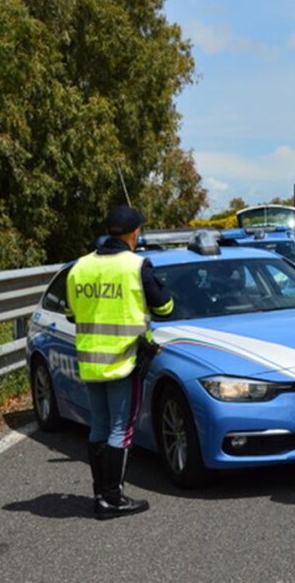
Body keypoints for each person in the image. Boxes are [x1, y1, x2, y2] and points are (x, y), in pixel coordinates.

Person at [66, 205, 174, 520]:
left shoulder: (80, 267)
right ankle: (113, 499)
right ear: (135, 233)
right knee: (120, 429)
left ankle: (100, 494)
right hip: (124, 360)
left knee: (98, 425)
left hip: (89, 360)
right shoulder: (137, 266)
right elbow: (165, 307)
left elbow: (72, 313)